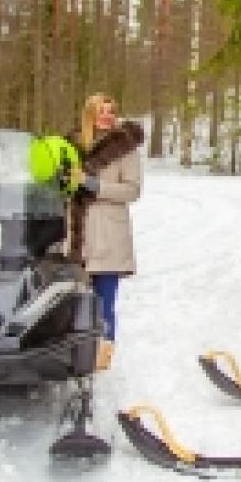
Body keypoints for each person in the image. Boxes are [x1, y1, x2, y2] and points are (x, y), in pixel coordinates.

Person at [66, 93, 144, 370]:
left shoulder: (125, 146)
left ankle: (102, 359)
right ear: (89, 114)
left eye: (112, 110)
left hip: (109, 234)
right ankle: (76, 353)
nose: (108, 116)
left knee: (104, 301)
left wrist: (94, 185)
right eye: (102, 110)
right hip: (77, 236)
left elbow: (133, 190)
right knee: (75, 301)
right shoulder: (71, 145)